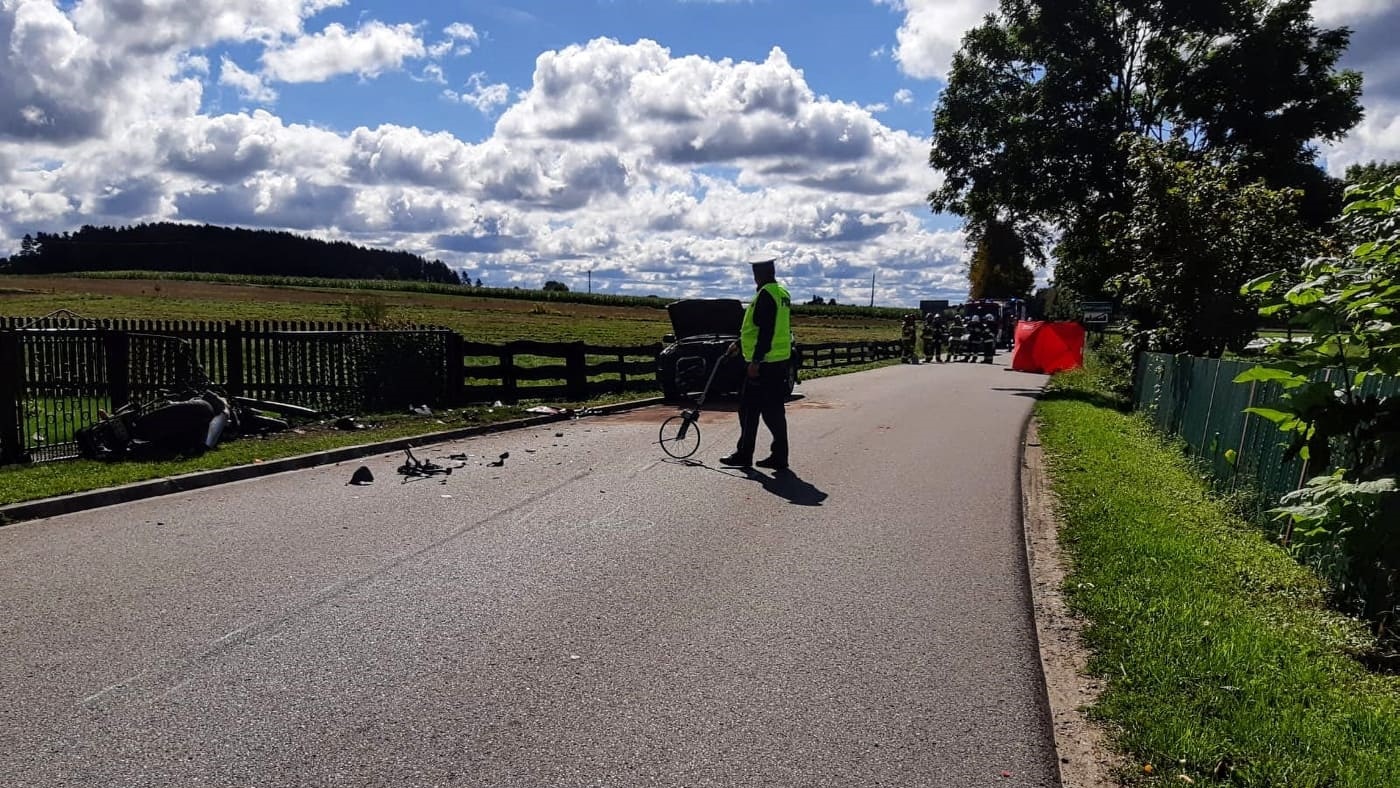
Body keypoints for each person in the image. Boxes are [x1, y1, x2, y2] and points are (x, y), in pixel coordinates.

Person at [720, 259, 793, 472]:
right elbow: (763, 327)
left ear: (758, 274)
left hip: (764, 363)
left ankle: (744, 454)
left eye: (755, 273)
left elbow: (766, 332)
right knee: (773, 411)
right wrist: (739, 343)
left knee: (748, 409)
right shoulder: (782, 293)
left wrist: (756, 361)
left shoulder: (765, 295)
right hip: (778, 361)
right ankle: (780, 455)